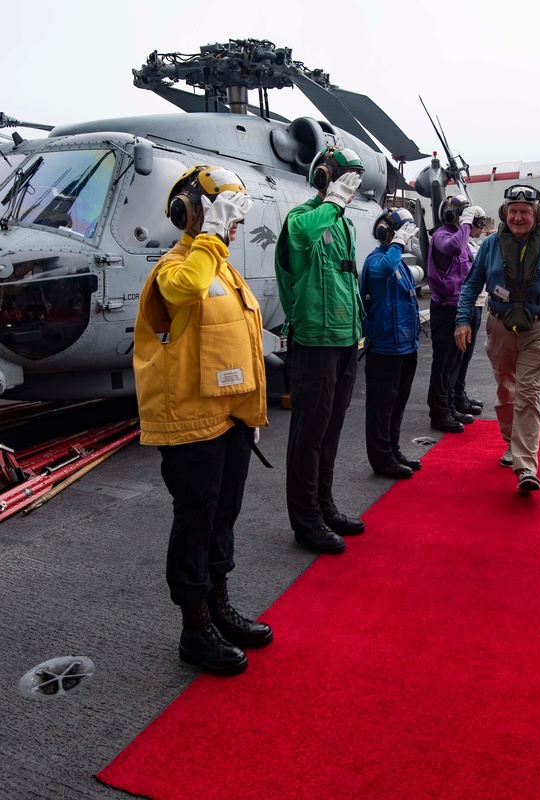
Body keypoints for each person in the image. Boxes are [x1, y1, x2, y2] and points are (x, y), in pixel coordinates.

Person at [133, 165, 272, 677]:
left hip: (229, 417)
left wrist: (250, 414)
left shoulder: (223, 269)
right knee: (196, 520)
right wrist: (208, 234)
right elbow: (186, 291)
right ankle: (194, 628)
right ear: (194, 214)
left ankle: (219, 606)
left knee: (224, 514)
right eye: (227, 215)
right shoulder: (174, 268)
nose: (235, 225)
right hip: (189, 421)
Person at [275, 145, 366, 555]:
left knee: (330, 431)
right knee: (308, 436)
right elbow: (304, 235)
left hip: (345, 341)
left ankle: (324, 506)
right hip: (313, 343)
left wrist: (358, 332)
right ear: (325, 177)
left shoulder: (344, 226)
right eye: (345, 179)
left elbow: (347, 281)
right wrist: (331, 200)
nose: (352, 188)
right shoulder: (301, 219)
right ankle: (306, 521)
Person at [455, 184, 540, 491]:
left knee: (528, 394)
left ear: (536, 214)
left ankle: (526, 466)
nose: (518, 217)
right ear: (504, 213)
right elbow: (472, 285)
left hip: (538, 327)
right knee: (506, 390)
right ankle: (511, 442)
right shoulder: (491, 244)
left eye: (525, 211)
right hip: (499, 325)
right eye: (513, 211)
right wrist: (462, 321)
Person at [360, 207, 422, 479]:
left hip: (405, 345)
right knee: (381, 407)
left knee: (397, 402)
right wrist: (396, 242)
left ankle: (393, 450)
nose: (407, 238)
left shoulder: (400, 264)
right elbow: (384, 269)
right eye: (402, 233)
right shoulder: (377, 260)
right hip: (385, 347)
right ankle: (381, 459)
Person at [427, 195, 487, 433]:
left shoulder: (460, 239)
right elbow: (454, 248)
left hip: (460, 307)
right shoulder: (442, 237)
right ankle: (439, 413)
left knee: (455, 361)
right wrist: (465, 224)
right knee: (443, 364)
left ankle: (450, 405)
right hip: (445, 310)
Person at [453, 214, 492, 417]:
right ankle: (454, 399)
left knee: (465, 356)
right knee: (458, 356)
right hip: (468, 304)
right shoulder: (460, 244)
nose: (481, 228)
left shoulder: (474, 245)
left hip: (477, 304)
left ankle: (459, 394)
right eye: (478, 224)